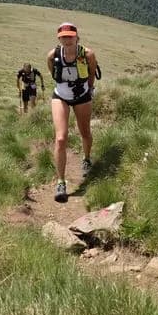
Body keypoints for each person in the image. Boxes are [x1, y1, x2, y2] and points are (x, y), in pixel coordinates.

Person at [46, 22, 97, 202]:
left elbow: (92, 73)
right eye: (63, 37)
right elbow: (53, 72)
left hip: (82, 96)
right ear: (59, 39)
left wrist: (89, 89)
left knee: (85, 132)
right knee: (60, 138)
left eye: (70, 36)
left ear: (77, 37)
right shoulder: (53, 55)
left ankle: (87, 158)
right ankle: (61, 182)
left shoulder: (87, 54)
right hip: (60, 96)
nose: (67, 40)